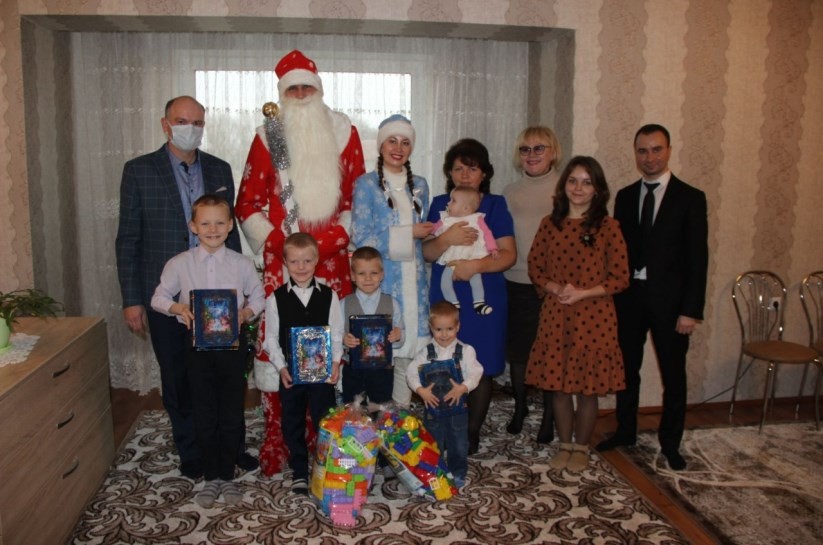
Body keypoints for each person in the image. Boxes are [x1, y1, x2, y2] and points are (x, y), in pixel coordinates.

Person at [235, 50, 365, 476]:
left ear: (319, 88)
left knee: (331, 346)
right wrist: (284, 246)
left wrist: (326, 244)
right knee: (284, 346)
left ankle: (330, 441)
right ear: (282, 94)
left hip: (331, 260)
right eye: (293, 89)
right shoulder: (268, 135)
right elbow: (247, 203)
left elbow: (357, 199)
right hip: (283, 261)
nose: (302, 94)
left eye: (308, 86)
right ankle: (285, 442)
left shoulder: (344, 133)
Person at [115, 95, 256, 479]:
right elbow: (128, 239)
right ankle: (192, 451)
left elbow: (231, 232)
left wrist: (243, 293)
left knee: (227, 380)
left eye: (197, 122)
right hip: (168, 297)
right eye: (181, 121)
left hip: (220, 304)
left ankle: (232, 447)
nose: (189, 128)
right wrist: (132, 300)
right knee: (178, 378)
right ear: (165, 125)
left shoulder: (219, 168)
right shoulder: (139, 171)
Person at [596, 124, 708, 471]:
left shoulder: (690, 198)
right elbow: (617, 253)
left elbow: (698, 259)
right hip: (629, 299)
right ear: (636, 154)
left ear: (669, 150)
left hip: (671, 305)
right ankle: (625, 431)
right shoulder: (626, 196)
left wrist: (690, 310)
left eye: (656, 149)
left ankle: (671, 443)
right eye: (643, 151)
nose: (649, 157)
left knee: (673, 375)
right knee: (627, 370)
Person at [150, 195, 266, 507]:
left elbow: (259, 296)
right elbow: (158, 297)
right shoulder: (179, 263)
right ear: (193, 226)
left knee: (230, 410)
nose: (212, 229)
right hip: (196, 350)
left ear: (229, 227)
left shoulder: (241, 264)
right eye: (205, 223)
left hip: (232, 349)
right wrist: (178, 308)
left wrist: (245, 313)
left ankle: (227, 475)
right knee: (203, 411)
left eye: (219, 223)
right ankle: (211, 476)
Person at [526, 156, 629, 473]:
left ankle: (581, 447)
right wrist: (555, 288)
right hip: (556, 314)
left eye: (587, 182)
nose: (579, 188)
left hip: (594, 317)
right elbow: (535, 267)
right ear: (564, 185)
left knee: (587, 388)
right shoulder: (549, 224)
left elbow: (621, 277)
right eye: (573, 181)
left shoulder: (608, 227)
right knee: (558, 386)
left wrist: (583, 292)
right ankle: (565, 445)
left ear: (598, 189)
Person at [423, 138, 516, 455]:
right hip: (446, 296)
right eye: (458, 168)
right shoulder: (440, 203)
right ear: (449, 172)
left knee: (482, 364)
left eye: (472, 168)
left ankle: (471, 433)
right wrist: (447, 238)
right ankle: (446, 427)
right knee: (445, 363)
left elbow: (508, 254)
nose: (465, 174)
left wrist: (474, 265)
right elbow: (428, 253)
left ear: (484, 173)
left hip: (484, 296)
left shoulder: (495, 205)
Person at [351, 114, 433, 407]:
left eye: (405, 142)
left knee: (410, 356)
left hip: (416, 280)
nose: (398, 148)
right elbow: (361, 237)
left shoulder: (420, 184)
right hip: (384, 281)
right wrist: (407, 232)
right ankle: (376, 414)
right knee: (383, 353)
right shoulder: (366, 184)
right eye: (392, 141)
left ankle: (400, 415)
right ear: (381, 145)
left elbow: (424, 237)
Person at [261, 233, 343, 494]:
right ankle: (299, 469)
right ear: (285, 262)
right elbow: (270, 339)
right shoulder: (275, 299)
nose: (301, 267)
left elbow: (337, 333)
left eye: (307, 260)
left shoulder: (329, 296)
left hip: (322, 374)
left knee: (324, 420)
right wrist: (281, 367)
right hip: (291, 374)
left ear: (316, 260)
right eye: (295, 261)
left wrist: (336, 362)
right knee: (292, 420)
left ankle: (325, 467)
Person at [502, 126, 562, 439]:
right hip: (514, 281)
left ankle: (549, 416)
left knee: (550, 354)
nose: (532, 155)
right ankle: (520, 407)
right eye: (525, 149)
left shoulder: (565, 188)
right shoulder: (509, 192)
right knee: (519, 353)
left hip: (551, 288)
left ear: (553, 152)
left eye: (539, 148)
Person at [406, 301, 484, 488]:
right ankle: (436, 472)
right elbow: (411, 373)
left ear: (458, 326)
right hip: (432, 407)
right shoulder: (425, 352)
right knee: (433, 442)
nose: (444, 334)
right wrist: (420, 390)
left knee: (459, 443)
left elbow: (477, 372)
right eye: (438, 329)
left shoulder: (465, 351)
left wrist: (463, 387)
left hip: (458, 408)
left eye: (449, 329)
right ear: (431, 328)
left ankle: (458, 472)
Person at [341, 246, 405, 405]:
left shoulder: (392, 303)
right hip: (353, 370)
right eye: (361, 273)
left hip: (382, 370)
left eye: (374, 273)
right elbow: (335, 334)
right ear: (353, 276)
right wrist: (343, 339)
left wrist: (398, 336)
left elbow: (400, 337)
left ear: (382, 274)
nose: (368, 278)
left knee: (382, 408)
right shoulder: (343, 303)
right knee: (353, 409)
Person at [431, 186, 499, 315]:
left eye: (453, 201)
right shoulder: (445, 218)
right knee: (445, 282)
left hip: (471, 258)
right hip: (452, 258)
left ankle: (479, 303)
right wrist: (429, 228)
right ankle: (453, 303)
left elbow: (487, 233)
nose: (448, 203)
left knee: (477, 281)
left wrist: (493, 248)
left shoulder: (477, 219)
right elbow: (434, 229)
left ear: (466, 208)